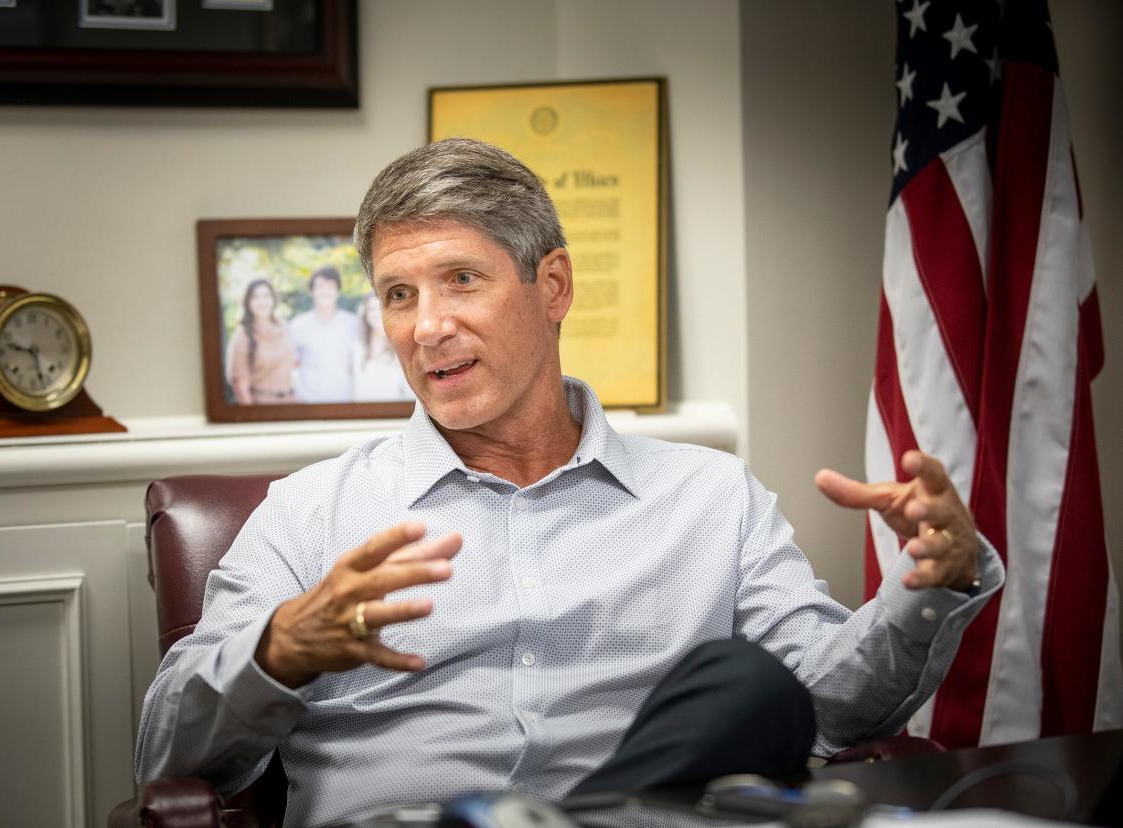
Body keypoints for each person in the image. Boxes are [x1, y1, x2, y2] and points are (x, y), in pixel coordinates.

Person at [136, 139, 1002, 827]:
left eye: (461, 280)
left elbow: (825, 703)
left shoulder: (710, 499)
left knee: (753, 694)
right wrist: (279, 649)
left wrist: (932, 581)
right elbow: (165, 751)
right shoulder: (311, 512)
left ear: (551, 285)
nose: (426, 327)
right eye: (397, 295)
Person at [287, 266, 361, 402]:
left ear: (337, 291)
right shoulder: (298, 325)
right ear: (311, 291)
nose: (325, 291)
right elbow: (290, 365)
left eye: (330, 286)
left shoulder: (352, 323)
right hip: (307, 401)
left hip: (345, 400)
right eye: (320, 286)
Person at [226, 278, 297, 405]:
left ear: (273, 299)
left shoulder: (284, 327)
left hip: (291, 402)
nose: (262, 302)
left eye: (266, 296)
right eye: (256, 297)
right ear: (248, 302)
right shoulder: (242, 336)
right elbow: (241, 386)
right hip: (263, 405)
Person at [353, 292, 416, 402]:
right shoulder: (357, 347)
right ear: (365, 313)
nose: (376, 314)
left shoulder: (401, 347)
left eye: (379, 308)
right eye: (371, 309)